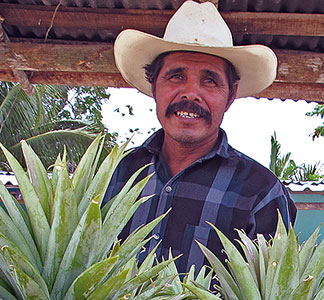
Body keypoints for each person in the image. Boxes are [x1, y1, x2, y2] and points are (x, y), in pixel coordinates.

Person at [110, 0, 296, 271]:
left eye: (209, 80)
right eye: (176, 76)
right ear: (154, 86)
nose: (190, 93)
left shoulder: (261, 193)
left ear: (230, 95)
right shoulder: (115, 174)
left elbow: (274, 296)